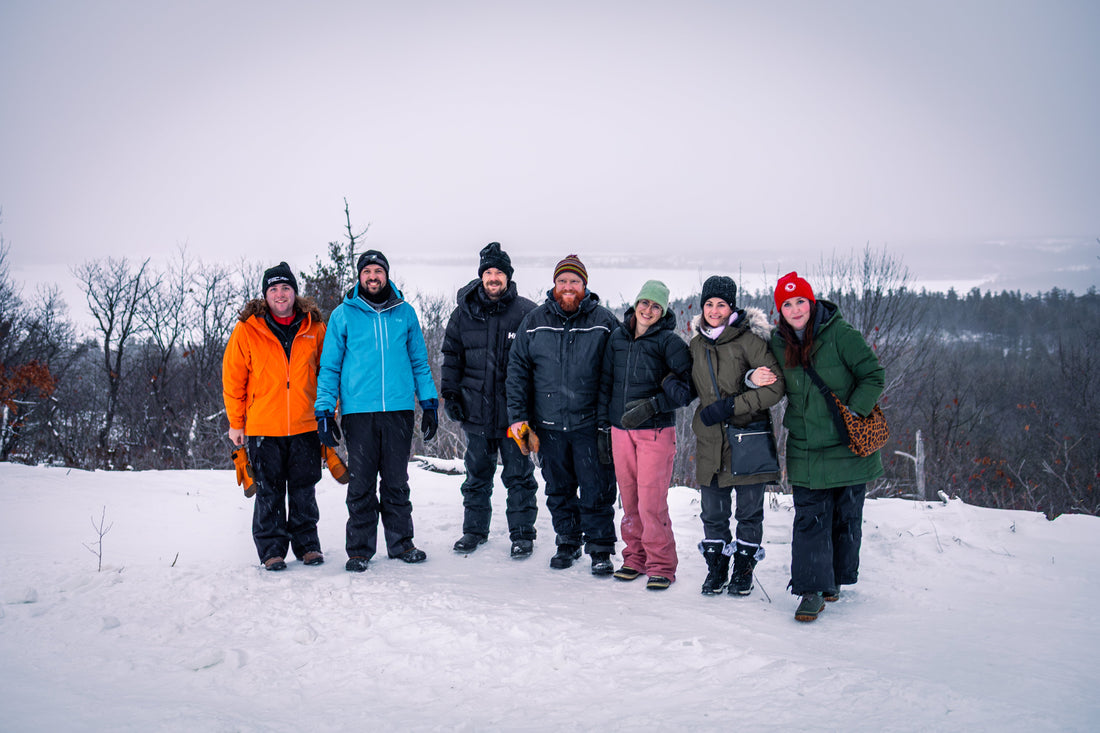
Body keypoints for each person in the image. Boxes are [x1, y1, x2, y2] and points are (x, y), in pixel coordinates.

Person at [766, 271, 885, 622]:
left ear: (811, 302)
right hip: (805, 444)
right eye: (787, 304)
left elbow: (873, 374)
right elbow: (762, 373)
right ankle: (811, 591)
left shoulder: (841, 335)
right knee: (810, 518)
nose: (795, 309)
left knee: (846, 518)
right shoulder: (776, 342)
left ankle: (834, 579)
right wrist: (749, 378)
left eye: (801, 301)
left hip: (848, 443)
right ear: (780, 310)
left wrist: (854, 410)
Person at [314, 250, 439, 572]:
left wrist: (429, 403)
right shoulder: (343, 315)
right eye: (367, 271)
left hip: (398, 411)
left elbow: (419, 363)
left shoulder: (405, 313)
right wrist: (325, 410)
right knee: (362, 484)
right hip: (358, 413)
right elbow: (329, 367)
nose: (373, 276)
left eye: (378, 271)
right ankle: (359, 550)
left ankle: (401, 544)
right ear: (359, 276)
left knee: (397, 482)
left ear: (386, 275)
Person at [507, 254, 619, 574]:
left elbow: (617, 373)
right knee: (557, 488)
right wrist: (519, 418)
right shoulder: (534, 321)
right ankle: (567, 541)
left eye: (574, 281)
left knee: (597, 489)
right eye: (562, 281)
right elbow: (517, 372)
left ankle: (600, 548)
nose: (568, 287)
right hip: (546, 426)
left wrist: (610, 421)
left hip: (590, 425)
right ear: (554, 285)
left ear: (585, 285)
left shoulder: (604, 322)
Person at [684, 275, 785, 596]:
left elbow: (776, 388)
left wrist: (731, 406)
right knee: (712, 511)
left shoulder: (749, 340)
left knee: (748, 511)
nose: (714, 310)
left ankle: (743, 571)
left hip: (747, 437)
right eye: (709, 304)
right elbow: (689, 381)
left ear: (732, 307)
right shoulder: (697, 343)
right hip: (711, 438)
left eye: (721, 304)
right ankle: (716, 570)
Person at [222, 262, 326, 571]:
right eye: (273, 289)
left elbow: (327, 374)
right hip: (264, 426)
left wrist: (327, 415)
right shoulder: (248, 329)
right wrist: (236, 424)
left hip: (306, 424)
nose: (280, 294)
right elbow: (233, 380)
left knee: (304, 489)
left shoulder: (314, 327)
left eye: (285, 288)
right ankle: (271, 550)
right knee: (268, 490)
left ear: (295, 292)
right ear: (265, 295)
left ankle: (308, 546)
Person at [441, 242, 539, 558]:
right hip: (477, 412)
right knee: (477, 476)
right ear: (481, 276)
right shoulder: (463, 313)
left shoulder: (526, 312)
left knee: (519, 477)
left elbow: (538, 363)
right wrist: (451, 394)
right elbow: (452, 357)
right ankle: (474, 531)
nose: (493, 278)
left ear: (508, 277)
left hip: (517, 416)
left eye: (499, 272)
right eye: (489, 272)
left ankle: (522, 535)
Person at [598, 280, 692, 590]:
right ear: (636, 304)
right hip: (620, 430)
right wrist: (603, 426)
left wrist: (653, 406)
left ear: (663, 311)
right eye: (645, 303)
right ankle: (634, 558)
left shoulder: (670, 343)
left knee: (652, 501)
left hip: (655, 431)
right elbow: (606, 385)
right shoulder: (617, 339)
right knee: (630, 500)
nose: (648, 310)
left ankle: (661, 564)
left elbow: (688, 390)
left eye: (656, 306)